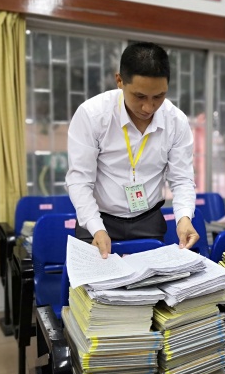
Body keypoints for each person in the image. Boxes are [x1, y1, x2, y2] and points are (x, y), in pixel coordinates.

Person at [66, 41, 199, 258]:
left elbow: (182, 179)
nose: (148, 107)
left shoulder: (176, 121)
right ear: (119, 81)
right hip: (98, 220)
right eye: (140, 96)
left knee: (152, 279)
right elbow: (79, 179)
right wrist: (96, 227)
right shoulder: (93, 115)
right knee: (97, 279)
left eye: (158, 96)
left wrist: (184, 218)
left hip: (148, 220)